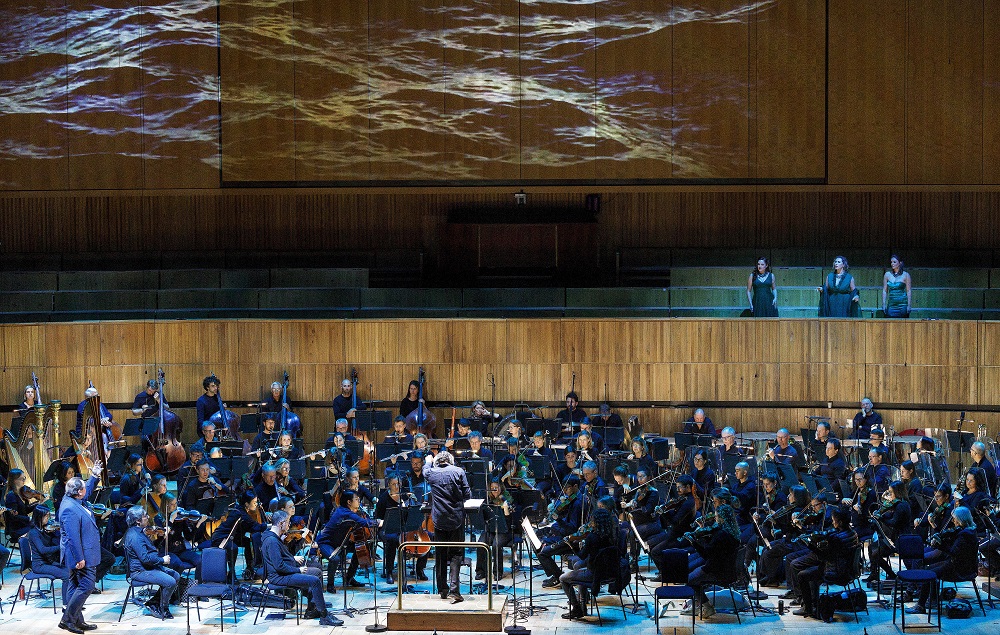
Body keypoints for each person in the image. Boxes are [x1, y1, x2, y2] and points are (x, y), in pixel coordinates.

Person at [263, 510, 343, 626]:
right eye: (288, 522)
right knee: (314, 581)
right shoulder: (271, 541)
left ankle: (312, 609)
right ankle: (324, 616)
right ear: (281, 523)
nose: (289, 525)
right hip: (279, 577)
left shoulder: (275, 538)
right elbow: (279, 566)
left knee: (317, 572)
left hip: (284, 572)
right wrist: (298, 570)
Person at [788, 507, 859, 619]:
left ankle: (808, 608)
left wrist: (810, 545)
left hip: (836, 572)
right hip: (849, 570)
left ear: (839, 522)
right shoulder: (852, 533)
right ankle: (813, 603)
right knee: (812, 570)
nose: (832, 522)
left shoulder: (836, 538)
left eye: (834, 520)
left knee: (802, 575)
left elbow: (825, 557)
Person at [907, 506, 979, 615]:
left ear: (961, 520)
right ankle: (933, 600)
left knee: (929, 573)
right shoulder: (969, 531)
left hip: (960, 569)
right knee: (929, 569)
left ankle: (920, 606)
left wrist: (940, 545)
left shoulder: (965, 535)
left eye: (955, 519)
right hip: (959, 564)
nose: (953, 521)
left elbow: (953, 552)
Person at [58, 471, 104, 634]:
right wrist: (80, 558)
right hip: (80, 554)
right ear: (79, 492)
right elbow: (72, 537)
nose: (86, 490)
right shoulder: (69, 509)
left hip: (83, 553)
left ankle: (77, 620)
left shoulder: (74, 499)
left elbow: (88, 490)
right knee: (87, 584)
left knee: (75, 585)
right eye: (84, 487)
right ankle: (67, 619)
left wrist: (94, 477)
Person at [424, 450, 472, 603]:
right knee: (456, 554)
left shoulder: (431, 472)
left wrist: (428, 460)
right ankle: (454, 591)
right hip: (456, 519)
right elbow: (467, 496)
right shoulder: (458, 471)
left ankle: (442, 590)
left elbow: (425, 470)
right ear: (450, 461)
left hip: (439, 520)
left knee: (440, 554)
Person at [559, 506, 619, 620]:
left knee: (563, 578)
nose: (591, 522)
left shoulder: (592, 537)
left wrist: (572, 544)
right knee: (579, 570)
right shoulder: (612, 535)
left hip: (594, 574)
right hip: (610, 573)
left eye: (592, 520)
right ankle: (582, 606)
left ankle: (577, 609)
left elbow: (582, 556)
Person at [123, 505, 180, 619]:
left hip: (149, 567)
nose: (148, 517)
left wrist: (160, 537)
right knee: (170, 582)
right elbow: (145, 558)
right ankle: (162, 607)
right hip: (140, 571)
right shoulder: (135, 537)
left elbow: (150, 550)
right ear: (138, 521)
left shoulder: (139, 532)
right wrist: (162, 560)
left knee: (176, 575)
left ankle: (154, 602)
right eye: (145, 516)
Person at [317, 490, 379, 592]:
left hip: (340, 542)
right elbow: (362, 522)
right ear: (349, 502)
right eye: (356, 499)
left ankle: (349, 578)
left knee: (360, 549)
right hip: (326, 542)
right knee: (335, 559)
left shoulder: (348, 511)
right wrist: (378, 522)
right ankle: (330, 584)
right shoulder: (344, 512)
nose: (359, 501)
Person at [867, 481, 912, 584]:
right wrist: (879, 514)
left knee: (875, 553)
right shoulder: (896, 504)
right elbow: (889, 516)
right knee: (872, 548)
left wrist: (881, 518)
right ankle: (876, 574)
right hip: (894, 538)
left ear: (898, 492)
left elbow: (894, 523)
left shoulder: (902, 505)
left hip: (901, 540)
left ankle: (892, 575)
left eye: (891, 492)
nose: (889, 495)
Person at [28, 507, 69, 608]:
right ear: (39, 517)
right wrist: (60, 547)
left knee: (72, 571)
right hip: (40, 565)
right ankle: (66, 606)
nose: (48, 518)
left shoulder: (45, 530)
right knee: (67, 575)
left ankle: (73, 603)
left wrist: (56, 534)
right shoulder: (34, 533)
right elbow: (42, 550)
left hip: (48, 562)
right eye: (46, 516)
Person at [476, 478, 514, 581]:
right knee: (480, 543)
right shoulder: (487, 500)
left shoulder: (507, 499)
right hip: (490, 529)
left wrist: (506, 510)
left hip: (504, 530)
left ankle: (497, 572)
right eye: (492, 488)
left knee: (496, 545)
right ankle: (480, 571)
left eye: (496, 488)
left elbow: (510, 521)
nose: (494, 490)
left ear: (501, 488)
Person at [4, 468, 42, 541]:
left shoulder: (22, 493)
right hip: (16, 529)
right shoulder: (11, 496)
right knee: (39, 529)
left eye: (24, 478)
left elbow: (25, 510)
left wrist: (38, 503)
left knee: (42, 527)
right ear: (15, 480)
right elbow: (14, 517)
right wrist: (29, 519)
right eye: (22, 479)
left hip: (24, 525)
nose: (24, 481)